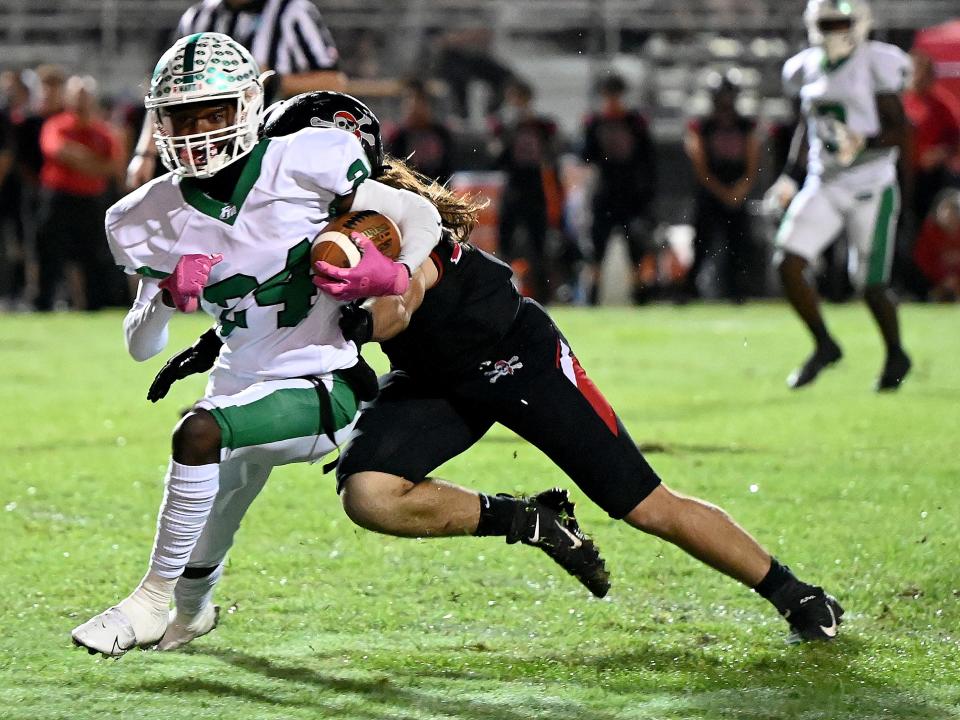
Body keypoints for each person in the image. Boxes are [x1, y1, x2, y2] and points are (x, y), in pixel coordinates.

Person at [155, 91, 846, 647]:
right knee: (369, 493)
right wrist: (221, 342)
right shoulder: (297, 220)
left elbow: (404, 296)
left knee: (645, 505)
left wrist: (368, 311)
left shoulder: (385, 217)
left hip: (516, 358)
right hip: (432, 380)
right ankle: (527, 520)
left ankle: (795, 593)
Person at [69, 32, 449, 658]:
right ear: (157, 120)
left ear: (249, 105)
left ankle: (144, 602)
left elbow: (419, 217)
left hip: (321, 379)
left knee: (197, 434)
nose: (198, 131)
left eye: (214, 112)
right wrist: (164, 298)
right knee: (214, 515)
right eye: (182, 117)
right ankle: (191, 613)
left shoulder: (308, 157)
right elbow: (140, 345)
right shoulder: (142, 215)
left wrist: (393, 278)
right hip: (238, 379)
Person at [764, 0, 913, 391]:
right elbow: (807, 126)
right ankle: (824, 343)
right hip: (824, 182)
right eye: (825, 22)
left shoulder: (875, 63)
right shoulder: (806, 66)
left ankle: (896, 352)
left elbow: (901, 129)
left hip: (870, 185)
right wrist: (788, 177)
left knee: (869, 284)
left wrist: (865, 144)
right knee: (788, 262)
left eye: (839, 22)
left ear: (858, 22)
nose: (832, 30)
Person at [126, 0, 346, 190]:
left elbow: (334, 81)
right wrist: (145, 153)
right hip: (205, 150)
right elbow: (164, 94)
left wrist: (271, 79)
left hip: (272, 149)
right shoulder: (198, 17)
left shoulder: (292, 12)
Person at [34, 75, 122, 311]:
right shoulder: (56, 125)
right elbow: (58, 151)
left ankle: (95, 304)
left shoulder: (102, 131)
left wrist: (79, 158)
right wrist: (92, 163)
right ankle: (44, 303)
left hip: (91, 200)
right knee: (50, 251)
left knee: (93, 254)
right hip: (58, 197)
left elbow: (113, 165)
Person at [683, 70, 761, 302]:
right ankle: (690, 289)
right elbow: (701, 167)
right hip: (710, 193)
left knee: (739, 244)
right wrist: (722, 191)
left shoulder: (746, 126)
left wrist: (739, 190)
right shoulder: (701, 127)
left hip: (737, 191)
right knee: (701, 243)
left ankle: (737, 290)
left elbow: (752, 163)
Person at [581, 73, 658, 305]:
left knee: (637, 248)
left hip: (631, 194)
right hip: (605, 193)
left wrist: (647, 194)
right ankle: (592, 297)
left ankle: (640, 296)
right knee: (597, 251)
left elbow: (648, 159)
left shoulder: (635, 122)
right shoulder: (594, 122)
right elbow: (586, 156)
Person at [493, 79, 563, 303]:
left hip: (536, 190)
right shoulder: (506, 127)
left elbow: (553, 156)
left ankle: (544, 294)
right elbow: (497, 160)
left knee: (539, 246)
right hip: (514, 189)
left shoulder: (542, 127)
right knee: (505, 244)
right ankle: (501, 293)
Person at [903, 50, 960, 224]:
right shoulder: (901, 100)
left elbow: (956, 136)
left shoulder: (940, 103)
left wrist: (941, 152)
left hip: (929, 176)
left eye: (920, 70)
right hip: (903, 171)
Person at [386, 78, 455, 185]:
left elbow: (448, 171)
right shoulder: (398, 137)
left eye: (420, 100)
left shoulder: (441, 135)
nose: (415, 107)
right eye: (410, 101)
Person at [913, 189, 960, 301]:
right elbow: (922, 259)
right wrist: (942, 279)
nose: (948, 217)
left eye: (953, 212)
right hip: (936, 281)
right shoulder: (930, 231)